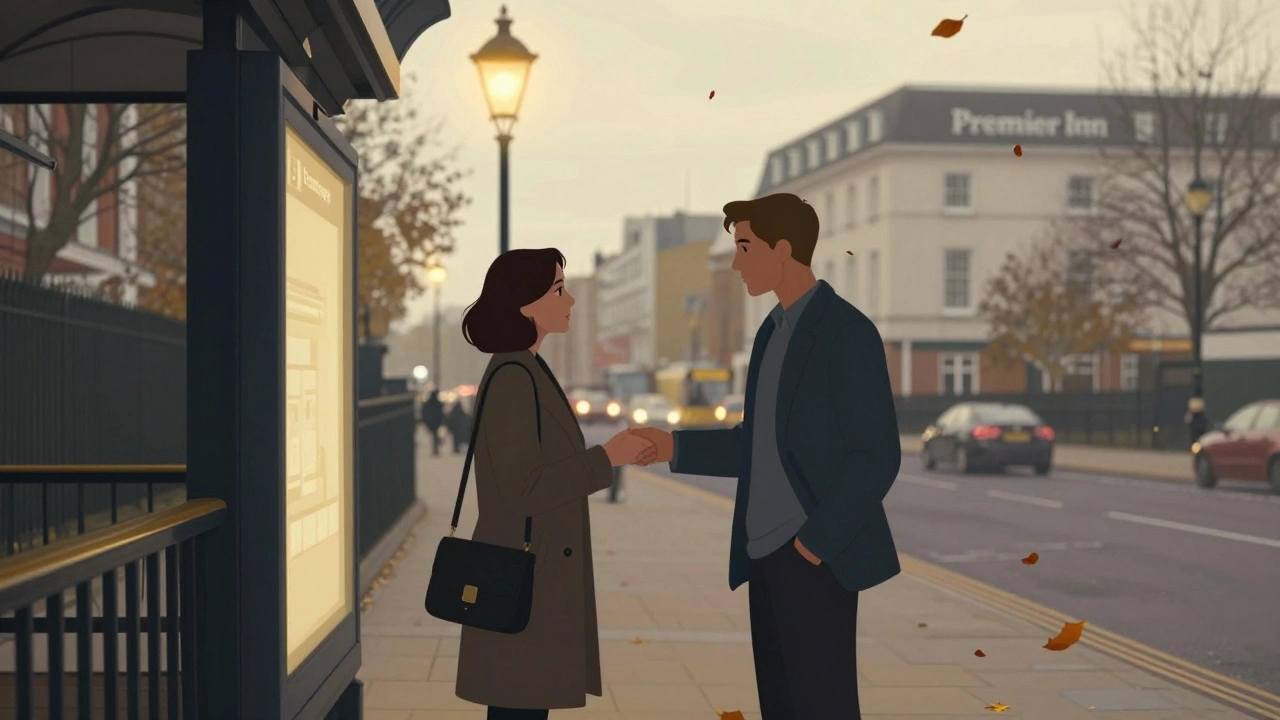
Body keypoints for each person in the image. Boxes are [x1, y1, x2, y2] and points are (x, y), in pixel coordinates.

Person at [630, 193, 902, 720]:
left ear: (783, 249)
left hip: (815, 557)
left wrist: (814, 544)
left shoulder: (847, 332)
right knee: (779, 701)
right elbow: (755, 442)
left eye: (745, 247)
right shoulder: (769, 333)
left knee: (823, 704)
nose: (735, 263)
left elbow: (876, 455)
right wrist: (673, 446)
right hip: (765, 553)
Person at [454, 248, 657, 720]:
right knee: (518, 706)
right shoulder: (512, 377)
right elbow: (523, 487)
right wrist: (608, 457)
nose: (571, 300)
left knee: (522, 704)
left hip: (533, 571)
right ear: (526, 305)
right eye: (558, 290)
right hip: (525, 577)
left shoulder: (528, 368)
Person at [420, 390, 444, 456]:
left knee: (434, 435)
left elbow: (424, 413)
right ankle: (436, 448)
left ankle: (435, 449)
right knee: (435, 435)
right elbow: (441, 413)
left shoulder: (428, 404)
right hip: (436, 422)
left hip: (431, 422)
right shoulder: (437, 404)